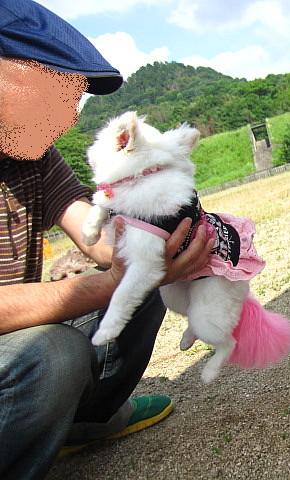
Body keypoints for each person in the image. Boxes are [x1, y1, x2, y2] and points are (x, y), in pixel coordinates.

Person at [0, 1, 213, 478]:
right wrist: (112, 283)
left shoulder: (31, 155)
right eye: (56, 93)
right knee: (52, 355)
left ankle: (86, 421)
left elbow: (91, 229)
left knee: (145, 272)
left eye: (72, 98)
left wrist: (162, 236)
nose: (68, 117)